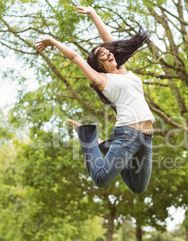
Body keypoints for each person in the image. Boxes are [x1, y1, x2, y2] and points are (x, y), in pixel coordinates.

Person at [35, 5, 155, 194]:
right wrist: (53, 42)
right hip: (127, 135)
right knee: (100, 179)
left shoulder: (123, 70)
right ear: (99, 66)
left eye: (109, 53)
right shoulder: (102, 80)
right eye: (104, 57)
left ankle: (104, 145)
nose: (110, 55)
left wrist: (93, 13)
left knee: (138, 188)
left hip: (147, 138)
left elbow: (110, 41)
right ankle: (88, 138)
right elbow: (75, 56)